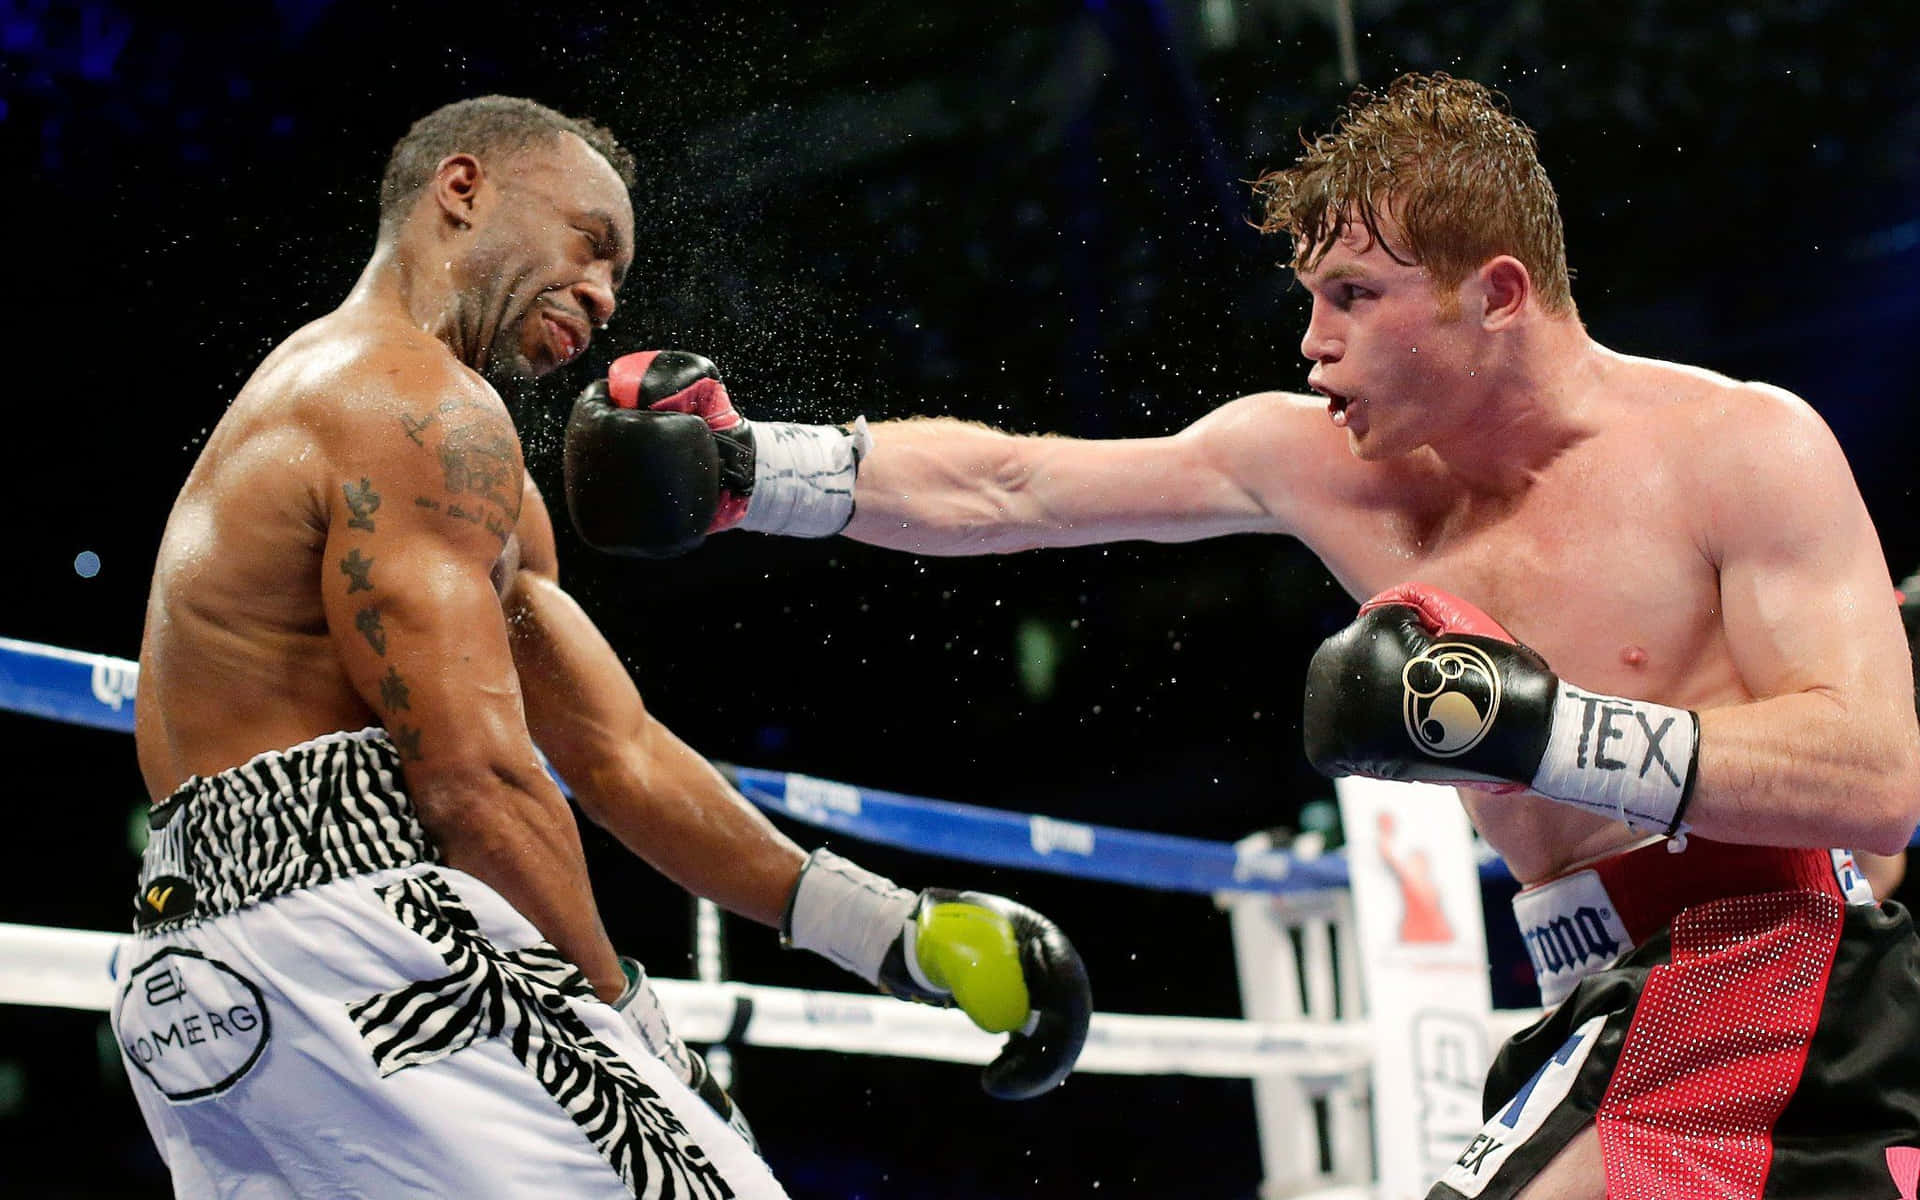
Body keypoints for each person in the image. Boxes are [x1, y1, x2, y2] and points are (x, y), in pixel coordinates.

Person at [573, 74, 1920, 1196]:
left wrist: (1549, 731)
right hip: (1600, 990)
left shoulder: (1737, 447)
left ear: (1496, 294)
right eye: (1312, 297)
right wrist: (754, 474)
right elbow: (1017, 487)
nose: (1312, 341)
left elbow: (1874, 781)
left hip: (1765, 958)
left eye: (1355, 298)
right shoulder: (1321, 462)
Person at [111, 95, 1090, 1200]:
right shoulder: (405, 401)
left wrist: (889, 932)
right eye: (591, 241)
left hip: (188, 982)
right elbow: (475, 781)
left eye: (619, 274)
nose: (605, 294)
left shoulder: (458, 463)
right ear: (463, 189)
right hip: (350, 929)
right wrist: (626, 1022)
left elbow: (611, 748)